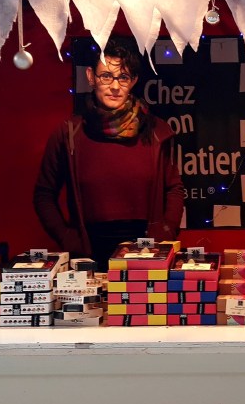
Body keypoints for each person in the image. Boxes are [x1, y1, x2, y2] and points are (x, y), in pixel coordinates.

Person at [33, 44, 183, 270]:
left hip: (147, 250)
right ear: (90, 77)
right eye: (106, 76)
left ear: (133, 81)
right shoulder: (69, 133)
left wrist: (166, 232)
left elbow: (174, 189)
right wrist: (67, 237)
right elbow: (44, 194)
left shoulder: (156, 131)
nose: (115, 86)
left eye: (123, 77)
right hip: (89, 253)